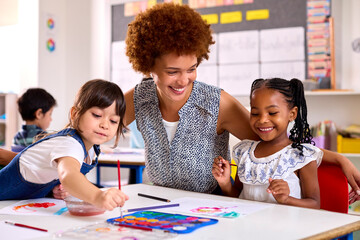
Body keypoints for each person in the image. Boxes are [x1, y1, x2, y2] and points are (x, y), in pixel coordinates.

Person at [123, 2, 360, 201]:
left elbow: (274, 141)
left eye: (192, 69)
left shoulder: (216, 103)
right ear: (148, 67)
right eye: (172, 71)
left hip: (207, 204)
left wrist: (338, 158)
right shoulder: (140, 97)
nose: (183, 80)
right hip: (155, 201)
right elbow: (96, 125)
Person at [0, 79, 128, 211]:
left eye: (113, 121)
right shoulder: (69, 144)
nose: (105, 125)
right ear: (75, 114)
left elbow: (60, 178)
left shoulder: (91, 150)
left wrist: (55, 189)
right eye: (97, 115)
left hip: (23, 197)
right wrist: (98, 196)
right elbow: (69, 176)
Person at [212, 78, 322, 208]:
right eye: (255, 113)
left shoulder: (302, 155)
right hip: (248, 226)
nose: (263, 120)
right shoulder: (245, 152)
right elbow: (238, 197)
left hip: (285, 226)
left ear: (292, 114)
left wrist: (287, 199)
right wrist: (225, 184)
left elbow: (315, 204)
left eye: (272, 113)